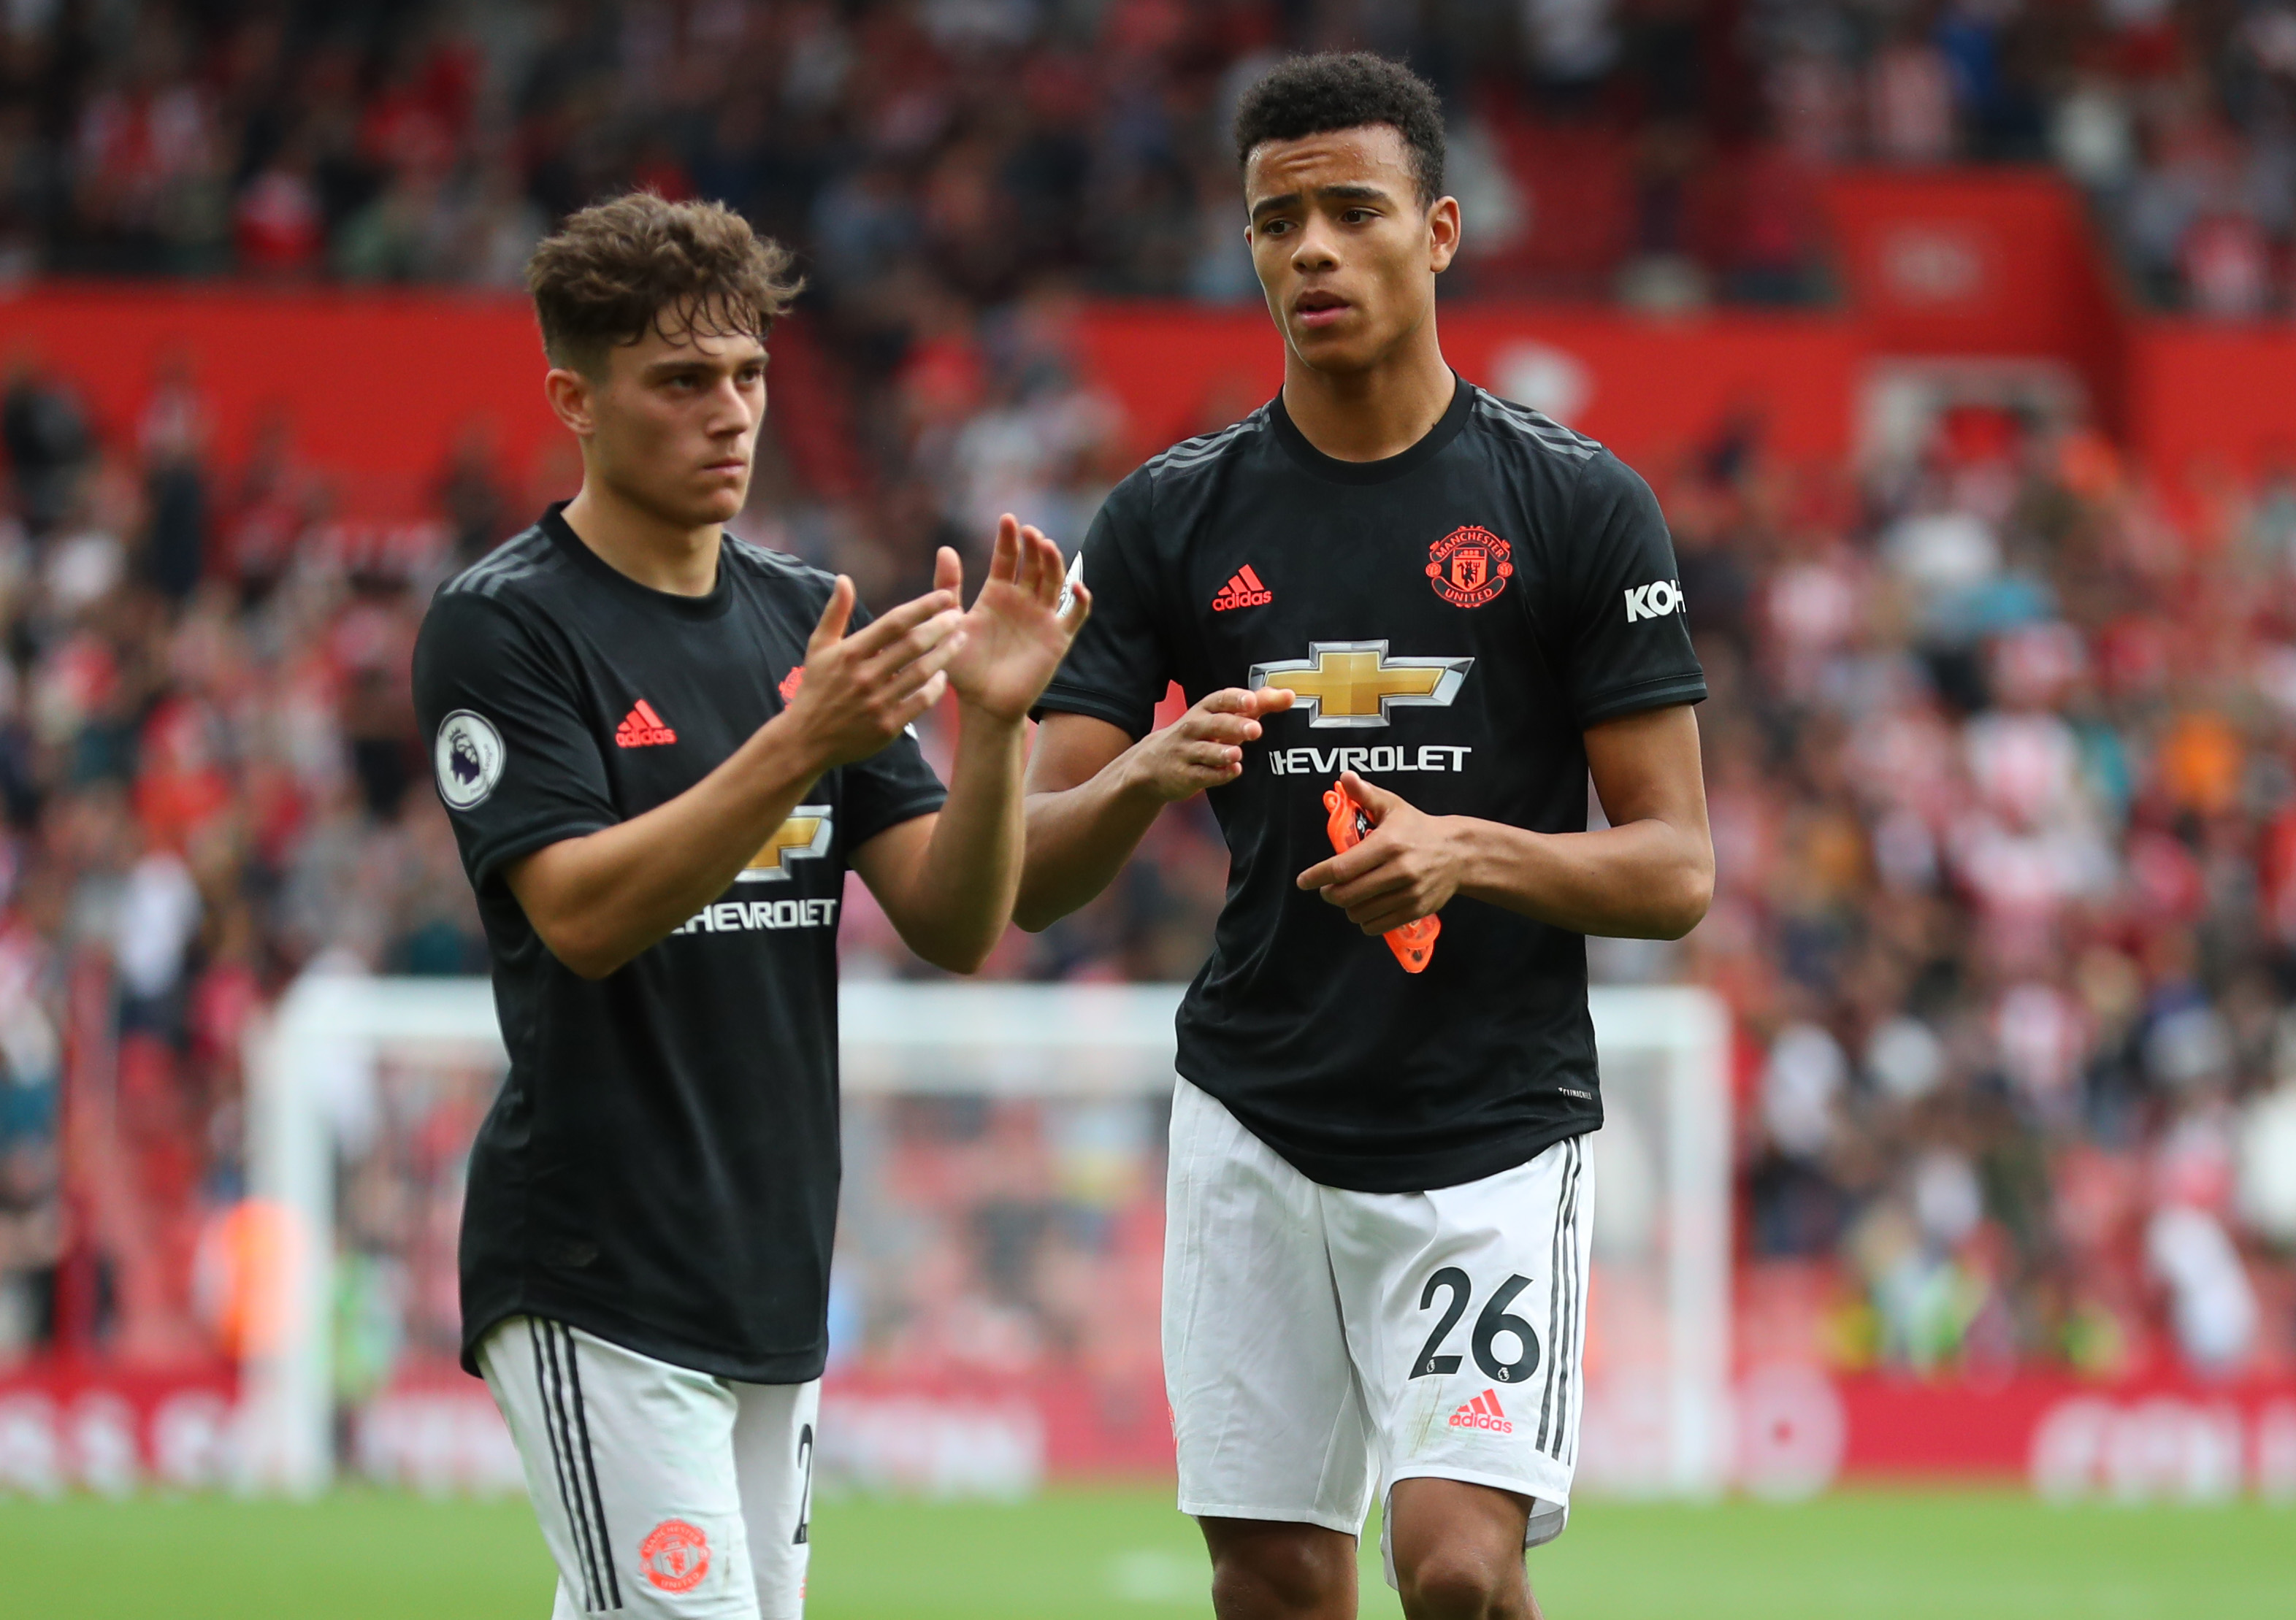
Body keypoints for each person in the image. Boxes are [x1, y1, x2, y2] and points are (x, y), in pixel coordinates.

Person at [1017, 53, 1713, 1620]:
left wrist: (1471, 852)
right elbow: (1029, 877)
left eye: (1351, 211)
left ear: (1441, 230)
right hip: (1256, 1119)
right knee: (1274, 1582)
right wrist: (1141, 778)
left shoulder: (1577, 505)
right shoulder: (1166, 520)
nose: (1310, 250)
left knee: (1458, 1571)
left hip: (1492, 1124)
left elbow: (1676, 870)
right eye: (1278, 222)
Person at [411, 193, 1087, 1619]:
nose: (730, 413)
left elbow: (959, 926)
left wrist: (997, 722)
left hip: (770, 1258)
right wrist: (797, 744)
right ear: (573, 401)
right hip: (595, 1260)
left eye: (750, 375)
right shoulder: (505, 623)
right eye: (681, 381)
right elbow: (581, 917)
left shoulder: (799, 617)